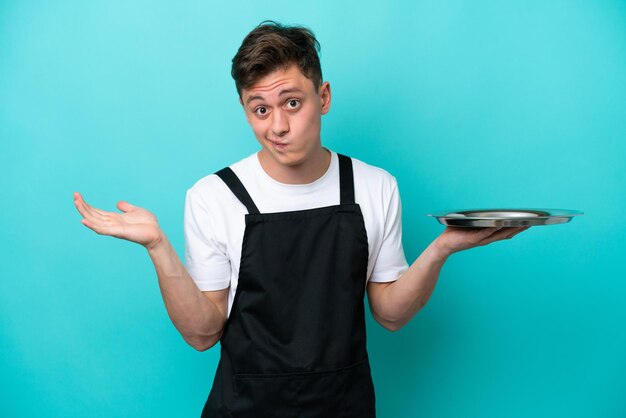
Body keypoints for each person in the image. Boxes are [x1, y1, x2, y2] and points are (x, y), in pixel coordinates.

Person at [74, 21, 528, 418]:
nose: (277, 127)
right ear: (246, 111)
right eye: (260, 109)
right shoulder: (214, 196)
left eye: (292, 103)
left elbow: (389, 313)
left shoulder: (374, 186)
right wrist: (158, 247)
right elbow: (203, 333)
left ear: (323, 96)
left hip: (343, 407)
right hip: (243, 409)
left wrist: (442, 248)